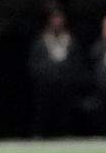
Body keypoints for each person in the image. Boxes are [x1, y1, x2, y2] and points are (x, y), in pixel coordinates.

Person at [28, 10, 86, 138]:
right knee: (44, 112)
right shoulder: (41, 41)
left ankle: (67, 134)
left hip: (65, 85)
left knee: (66, 112)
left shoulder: (70, 40)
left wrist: (71, 78)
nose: (57, 22)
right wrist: (43, 76)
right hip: (46, 86)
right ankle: (41, 135)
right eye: (54, 19)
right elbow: (34, 63)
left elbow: (77, 62)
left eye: (59, 19)